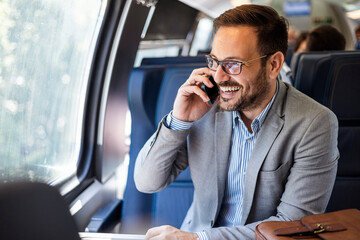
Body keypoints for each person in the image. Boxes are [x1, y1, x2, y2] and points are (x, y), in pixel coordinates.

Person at [134, 4, 339, 240]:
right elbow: (147, 182)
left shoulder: (314, 123)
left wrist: (199, 239)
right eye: (214, 61)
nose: (219, 77)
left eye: (233, 64)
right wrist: (180, 119)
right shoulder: (204, 106)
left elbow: (291, 225)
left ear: (273, 65)